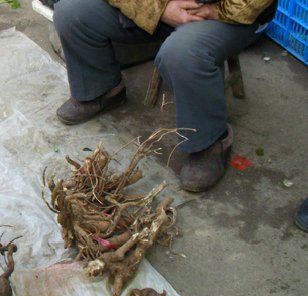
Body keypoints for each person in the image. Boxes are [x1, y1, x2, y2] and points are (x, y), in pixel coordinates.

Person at [53, 0, 278, 192]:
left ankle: (210, 143)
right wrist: (158, 9)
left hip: (224, 15)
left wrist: (214, 12)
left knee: (182, 53)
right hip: (156, 5)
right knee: (72, 11)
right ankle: (102, 90)